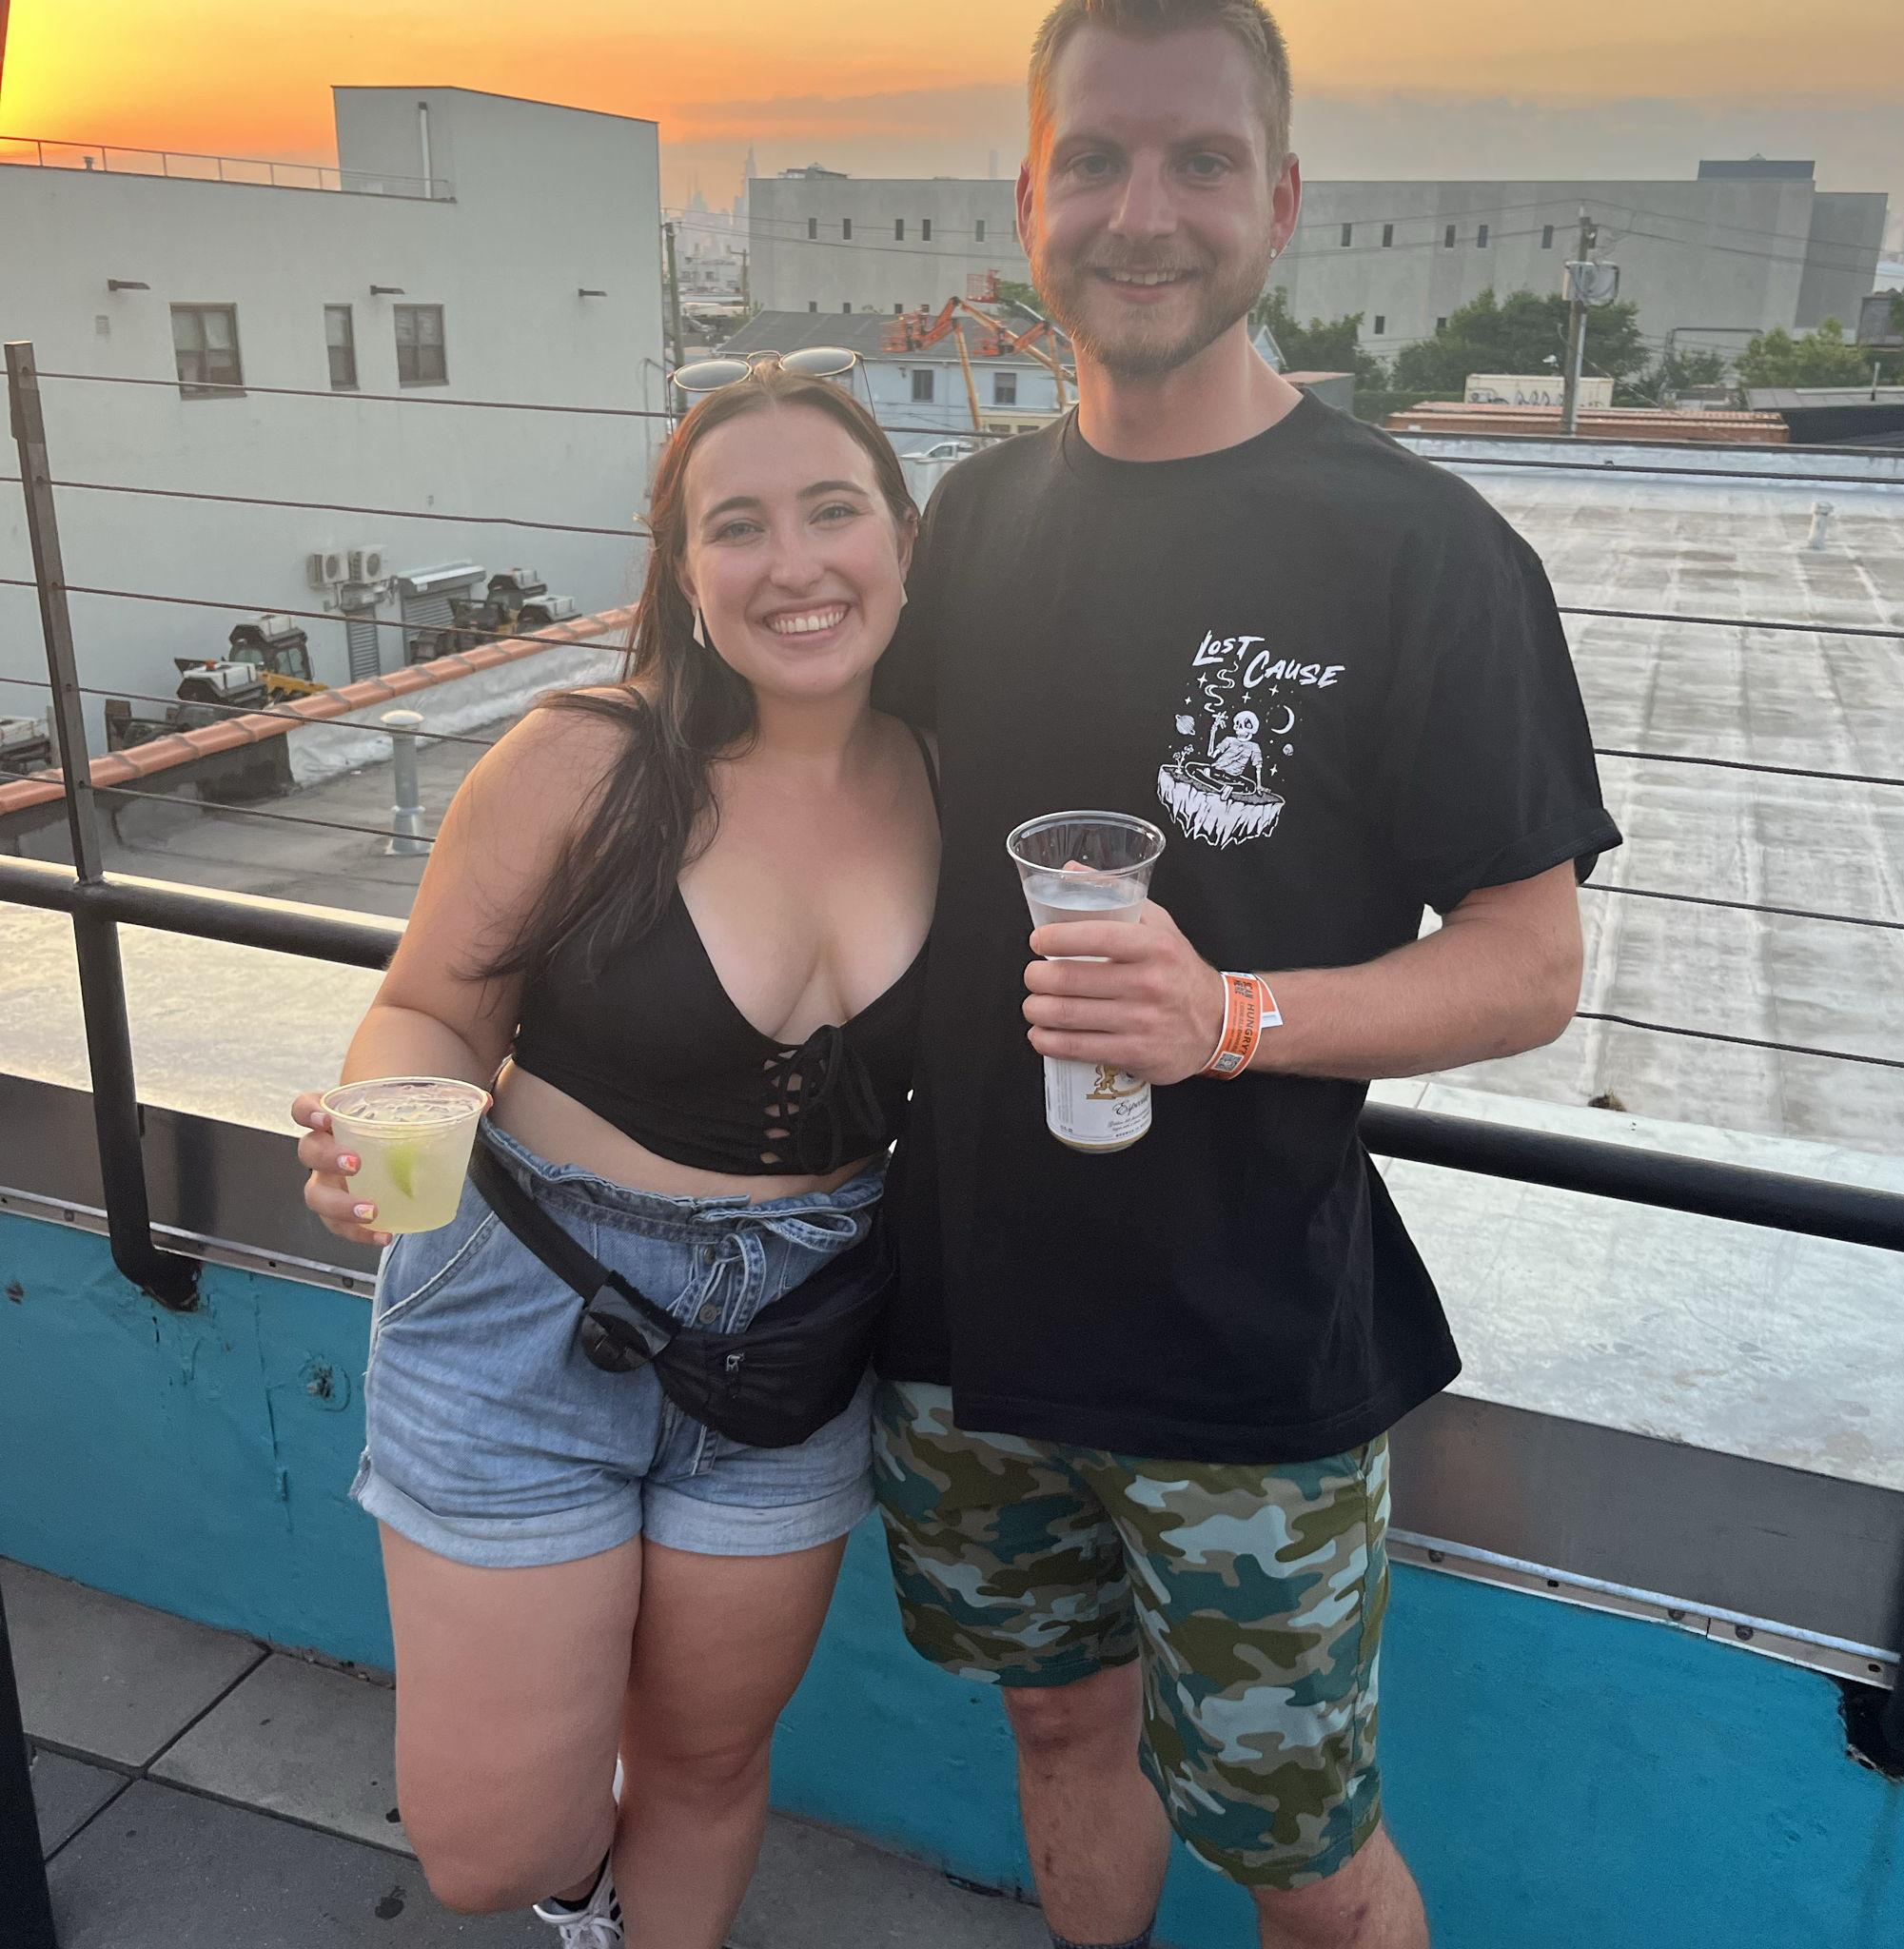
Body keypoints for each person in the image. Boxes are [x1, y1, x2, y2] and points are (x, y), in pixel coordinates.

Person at [870, 5, 1622, 1947]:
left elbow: (1530, 965)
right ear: (1028, 199)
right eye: (1095, 160)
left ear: (1279, 203)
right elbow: (833, 809)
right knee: (1058, 1722)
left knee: (1305, 1858)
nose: (1144, 212)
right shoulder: (972, 522)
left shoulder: (1422, 551)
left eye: (1200, 161)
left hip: (1242, 1345)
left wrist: (1232, 1019)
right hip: (959, 1307)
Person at [293, 360, 932, 1949]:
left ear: (902, 540)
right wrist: (384, 1132)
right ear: (685, 572)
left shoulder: (948, 775)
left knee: (706, 1765)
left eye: (833, 510)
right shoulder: (585, 758)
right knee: (489, 1846)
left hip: (794, 1338)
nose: (793, 561)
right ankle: (584, 1900)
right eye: (739, 526)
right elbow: (429, 1008)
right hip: (526, 1308)